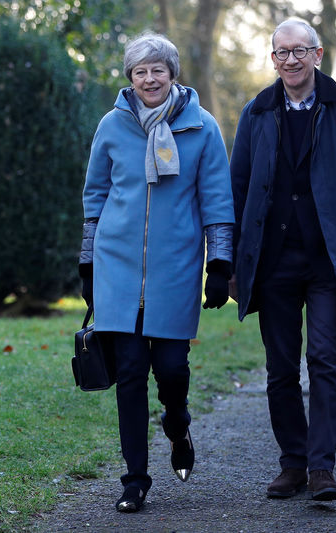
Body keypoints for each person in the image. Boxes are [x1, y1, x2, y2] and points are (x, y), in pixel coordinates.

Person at [229, 19, 336, 501]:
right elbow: (236, 192)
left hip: (331, 261)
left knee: (325, 359)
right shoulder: (256, 113)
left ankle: (322, 469)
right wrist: (234, 264)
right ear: (273, 58)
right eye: (281, 53)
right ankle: (293, 464)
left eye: (299, 51)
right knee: (280, 368)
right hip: (273, 262)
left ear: (318, 55)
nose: (290, 60)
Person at [78, 32, 234, 513]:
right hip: (117, 268)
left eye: (157, 70)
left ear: (172, 74)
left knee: (171, 368)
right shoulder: (112, 125)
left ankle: (178, 422)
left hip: (176, 268)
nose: (149, 79)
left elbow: (217, 201)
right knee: (129, 373)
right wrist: (87, 261)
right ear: (131, 78)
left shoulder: (202, 127)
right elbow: (95, 196)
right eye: (140, 71)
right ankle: (134, 480)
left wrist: (220, 264)